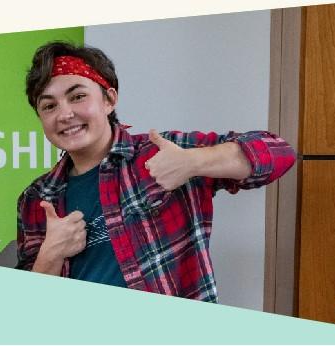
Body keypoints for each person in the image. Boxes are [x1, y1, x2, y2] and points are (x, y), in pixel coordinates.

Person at [15, 41, 296, 302]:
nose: (64, 114)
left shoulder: (162, 153)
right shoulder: (36, 198)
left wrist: (194, 162)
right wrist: (50, 255)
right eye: (49, 105)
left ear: (109, 99)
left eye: (77, 96)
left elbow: (279, 153)